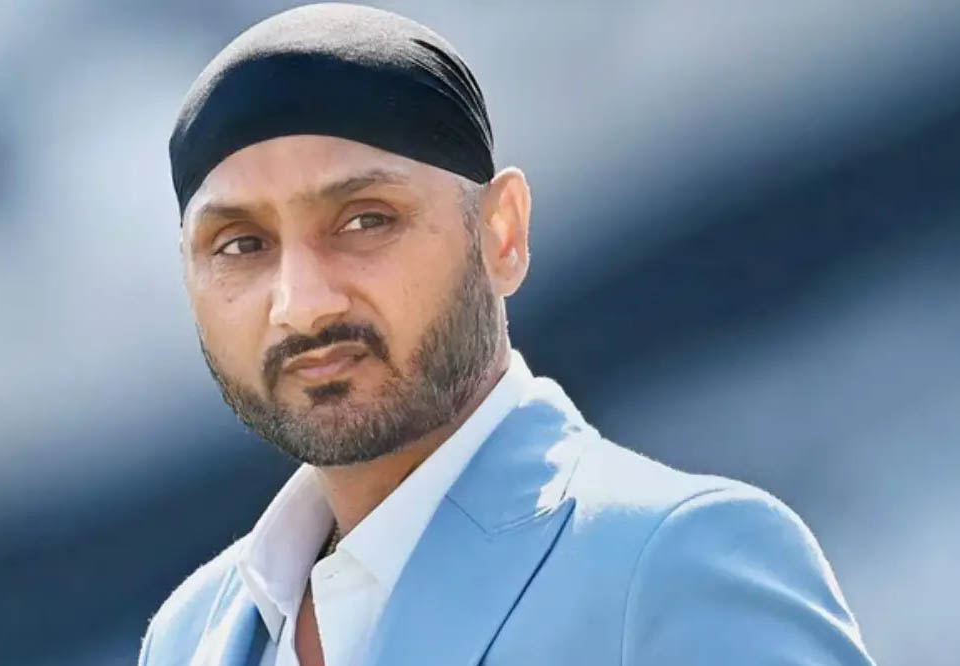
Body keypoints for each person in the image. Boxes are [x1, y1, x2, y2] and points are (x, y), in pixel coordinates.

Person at [140, 4, 876, 665]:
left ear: (502, 232)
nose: (301, 306)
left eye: (365, 220)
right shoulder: (191, 633)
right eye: (241, 245)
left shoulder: (674, 563)